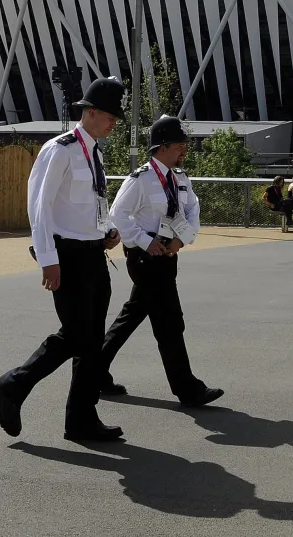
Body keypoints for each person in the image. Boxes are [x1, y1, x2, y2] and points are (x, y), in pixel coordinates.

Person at [0, 77, 126, 442]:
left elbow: (95, 201)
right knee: (78, 335)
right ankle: (13, 384)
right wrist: (47, 259)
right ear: (91, 112)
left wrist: (108, 229)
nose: (115, 122)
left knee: (91, 340)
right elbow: (40, 207)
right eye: (111, 116)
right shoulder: (60, 149)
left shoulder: (93, 151)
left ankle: (81, 419)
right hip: (66, 256)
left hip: (93, 255)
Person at [98, 115, 224, 408]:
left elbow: (193, 209)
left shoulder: (180, 178)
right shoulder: (140, 179)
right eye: (181, 146)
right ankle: (188, 389)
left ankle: (94, 371)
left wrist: (183, 239)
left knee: (132, 316)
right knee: (170, 322)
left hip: (168, 256)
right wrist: (145, 241)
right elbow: (117, 214)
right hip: (145, 259)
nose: (185, 151)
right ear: (163, 146)